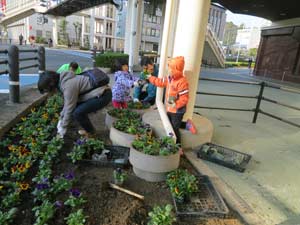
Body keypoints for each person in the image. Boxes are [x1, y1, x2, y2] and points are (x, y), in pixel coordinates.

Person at [37, 68, 112, 138]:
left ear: (51, 84)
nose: (49, 92)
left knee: (77, 112)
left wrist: (63, 126)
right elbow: (67, 104)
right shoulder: (63, 81)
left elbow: (69, 108)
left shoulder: (68, 85)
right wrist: (61, 118)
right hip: (98, 93)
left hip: (103, 95)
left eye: (47, 90)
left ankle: (91, 133)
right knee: (76, 110)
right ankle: (88, 130)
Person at [147, 56, 189, 147]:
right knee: (171, 125)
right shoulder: (169, 78)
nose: (168, 70)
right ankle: (187, 125)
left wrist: (176, 104)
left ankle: (178, 147)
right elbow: (160, 82)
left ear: (176, 70)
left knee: (174, 128)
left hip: (177, 111)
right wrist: (150, 78)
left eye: (170, 69)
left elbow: (184, 98)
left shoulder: (182, 82)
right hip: (170, 108)